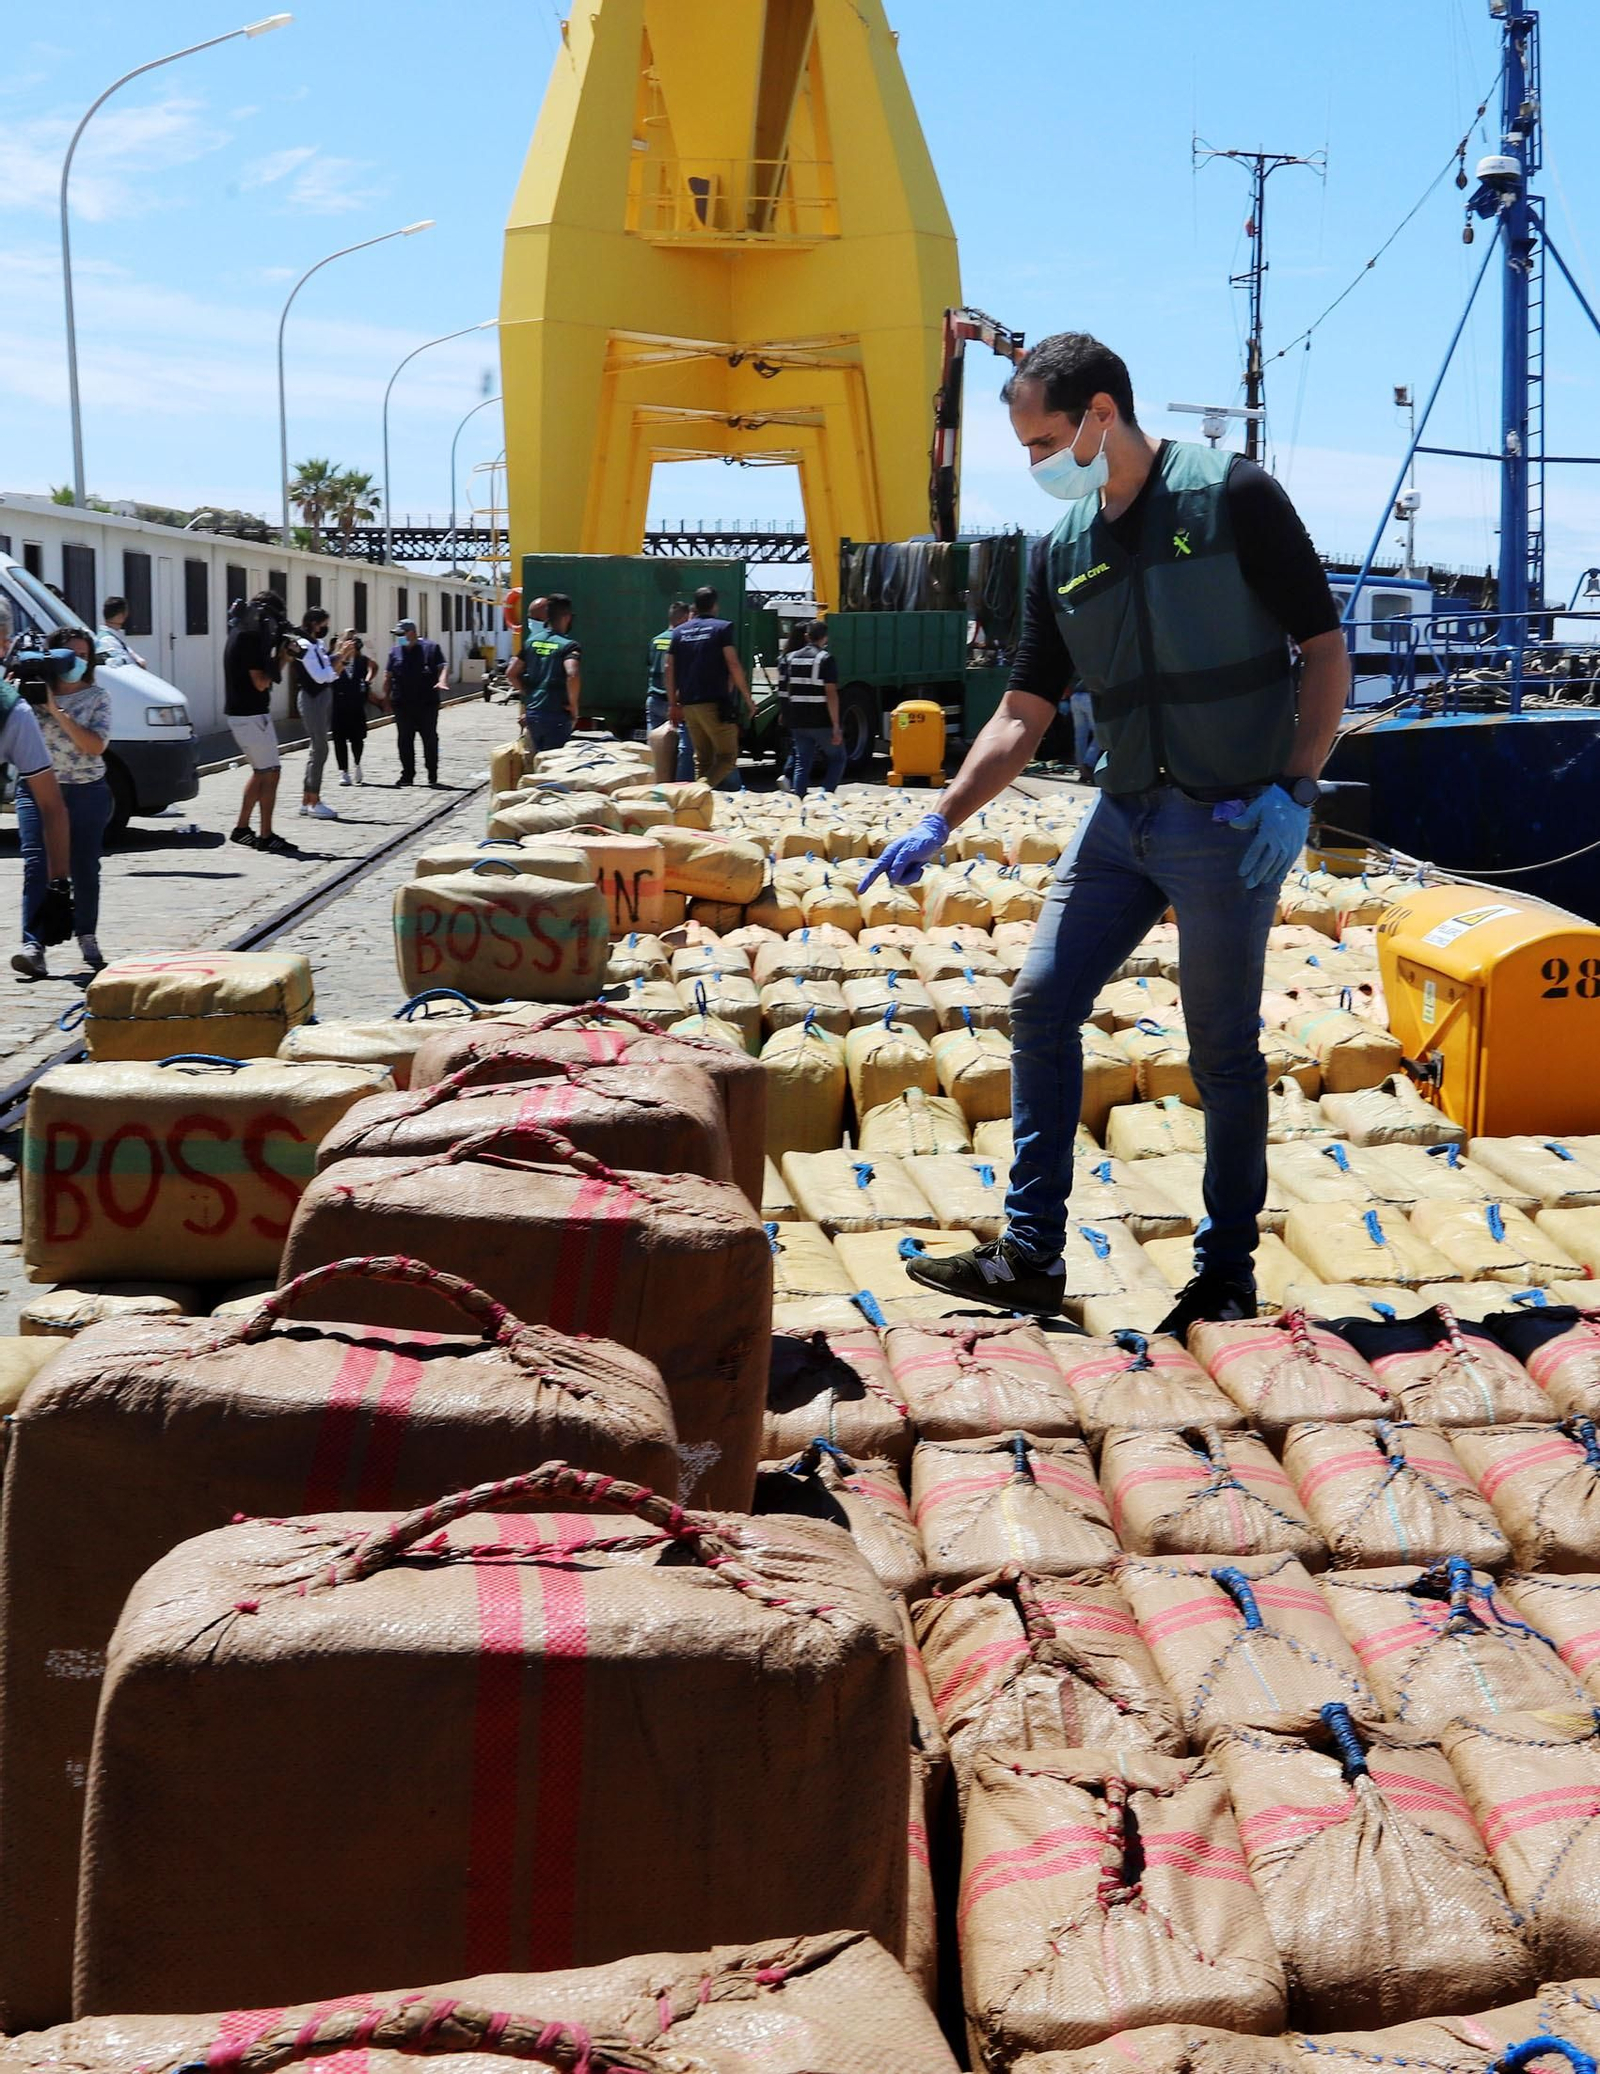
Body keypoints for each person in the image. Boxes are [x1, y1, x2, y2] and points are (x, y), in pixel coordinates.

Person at [860, 331, 1349, 1335]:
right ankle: (1030, 1253)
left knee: (1220, 1049)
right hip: (1121, 818)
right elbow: (1020, 712)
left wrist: (1294, 791)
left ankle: (1225, 1271)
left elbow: (1326, 649)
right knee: (1040, 1003)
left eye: (1044, 439)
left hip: (1229, 820)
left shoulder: (1233, 497)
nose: (1035, 463)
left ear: (1100, 414)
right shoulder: (1061, 549)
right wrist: (937, 816)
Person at [222, 590, 293, 855]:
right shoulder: (250, 638)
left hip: (244, 715)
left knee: (260, 771)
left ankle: (242, 829)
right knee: (270, 773)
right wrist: (284, 658)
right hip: (251, 715)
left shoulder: (240, 632)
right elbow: (261, 682)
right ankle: (265, 834)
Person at [665, 585, 755, 789]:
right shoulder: (722, 628)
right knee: (727, 757)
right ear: (715, 605)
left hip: (689, 706)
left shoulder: (679, 632)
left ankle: (700, 810)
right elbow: (733, 664)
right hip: (714, 704)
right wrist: (748, 699)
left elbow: (669, 668)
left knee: (703, 759)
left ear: (695, 605)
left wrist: (673, 704)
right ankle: (697, 793)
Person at [778, 618, 845, 797]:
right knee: (838, 758)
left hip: (798, 720)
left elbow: (784, 690)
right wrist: (836, 725)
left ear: (807, 636)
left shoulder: (790, 658)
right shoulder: (825, 659)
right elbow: (831, 694)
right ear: (825, 638)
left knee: (802, 762)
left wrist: (785, 713)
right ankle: (825, 796)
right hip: (820, 719)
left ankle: (799, 799)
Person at [507, 593, 581, 754]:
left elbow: (511, 673)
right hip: (556, 714)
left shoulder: (531, 642)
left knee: (536, 760)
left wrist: (528, 694)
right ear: (567, 617)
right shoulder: (568, 645)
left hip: (533, 712)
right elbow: (572, 675)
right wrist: (574, 706)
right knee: (553, 764)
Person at [383, 617, 449, 787]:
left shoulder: (431, 648)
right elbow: (388, 676)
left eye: (401, 634)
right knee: (405, 740)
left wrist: (442, 681)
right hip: (402, 704)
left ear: (412, 633)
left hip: (426, 704)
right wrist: (386, 698)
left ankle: (432, 773)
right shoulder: (395, 652)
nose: (399, 637)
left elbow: (442, 667)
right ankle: (407, 774)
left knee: (429, 739)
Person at [290, 607, 340, 820]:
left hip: (321, 698)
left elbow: (327, 666)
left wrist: (340, 654)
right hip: (312, 699)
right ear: (313, 624)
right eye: (323, 624)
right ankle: (313, 800)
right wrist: (343, 660)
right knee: (320, 749)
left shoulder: (315, 645)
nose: (325, 629)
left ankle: (306, 800)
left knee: (317, 749)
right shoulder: (303, 646)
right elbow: (321, 676)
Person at [645, 598, 691, 778]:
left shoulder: (655, 640)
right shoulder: (682, 641)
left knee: (655, 750)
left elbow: (650, 665)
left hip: (654, 699)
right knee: (683, 751)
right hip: (674, 703)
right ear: (684, 618)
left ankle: (654, 785)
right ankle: (680, 789)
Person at [331, 630, 378, 786]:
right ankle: (343, 771)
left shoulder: (362, 660)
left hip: (356, 704)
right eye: (348, 639)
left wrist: (367, 681)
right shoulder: (335, 659)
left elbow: (374, 666)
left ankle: (357, 763)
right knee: (339, 739)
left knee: (357, 738)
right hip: (338, 704)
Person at [97, 596, 146, 670]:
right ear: (121, 615)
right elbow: (124, 663)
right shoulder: (107, 640)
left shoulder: (114, 636)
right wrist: (139, 663)